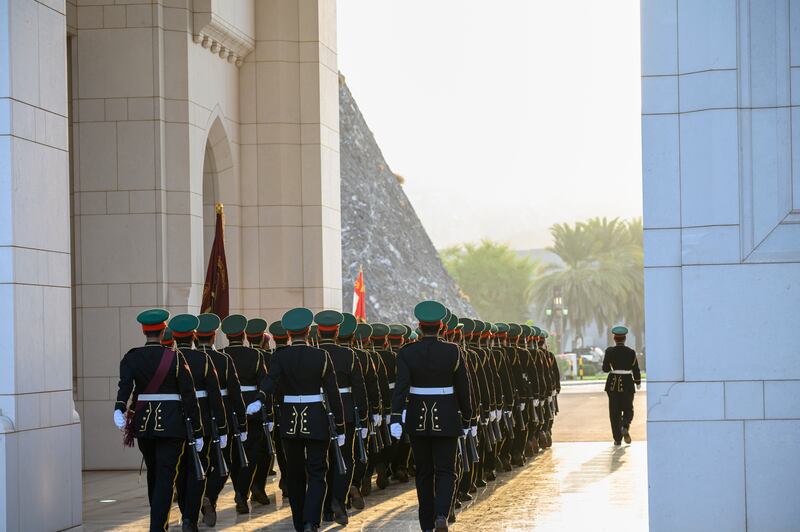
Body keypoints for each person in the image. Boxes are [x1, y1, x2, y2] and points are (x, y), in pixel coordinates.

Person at [113, 309, 203, 532]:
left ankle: (158, 521)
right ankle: (157, 526)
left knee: (154, 473)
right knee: (165, 476)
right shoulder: (175, 357)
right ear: (164, 331)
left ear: (144, 332)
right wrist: (198, 430)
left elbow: (125, 386)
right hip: (172, 425)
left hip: (144, 426)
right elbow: (189, 396)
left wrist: (119, 408)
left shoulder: (132, 357)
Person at [260, 307, 346, 532]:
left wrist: (259, 398)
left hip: (289, 421)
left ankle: (300, 522)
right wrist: (340, 425)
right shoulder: (320, 355)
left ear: (288, 333)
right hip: (317, 419)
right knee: (318, 472)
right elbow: (333, 393)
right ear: (309, 331)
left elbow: (271, 382)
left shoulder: (279, 355)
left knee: (295, 473)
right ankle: (311, 521)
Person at [390, 301, 473, 532]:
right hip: (447, 417)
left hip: (417, 417)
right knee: (446, 470)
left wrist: (395, 417)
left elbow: (401, 388)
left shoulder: (407, 352)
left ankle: (426, 523)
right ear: (441, 327)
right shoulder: (453, 351)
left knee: (424, 472)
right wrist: (468, 418)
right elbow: (464, 389)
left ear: (419, 326)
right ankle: (441, 516)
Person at [169, 314, 227, 532]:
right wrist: (221, 427)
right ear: (194, 336)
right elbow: (215, 397)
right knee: (198, 469)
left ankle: (186, 512)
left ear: (174, 337)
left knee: (180, 471)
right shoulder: (204, 359)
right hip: (201, 422)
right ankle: (189, 519)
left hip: (175, 423)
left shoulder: (169, 358)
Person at [315, 310, 369, 525]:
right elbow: (359, 388)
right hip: (345, 413)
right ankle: (339, 498)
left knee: (322, 461)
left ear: (319, 332)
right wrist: (363, 417)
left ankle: (327, 507)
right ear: (337, 332)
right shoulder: (350, 355)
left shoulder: (314, 353)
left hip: (319, 412)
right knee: (345, 459)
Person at [195, 313, 248, 527]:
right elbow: (235, 394)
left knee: (196, 463)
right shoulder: (223, 360)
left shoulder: (186, 357)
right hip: (221, 419)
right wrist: (242, 423)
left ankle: (196, 503)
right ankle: (210, 496)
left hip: (193, 419)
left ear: (196, 336)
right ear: (215, 335)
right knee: (222, 463)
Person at [219, 314, 271, 513]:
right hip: (251, 412)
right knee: (251, 454)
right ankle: (241, 492)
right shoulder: (255, 356)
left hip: (227, 410)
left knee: (231, 455)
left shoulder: (221, 355)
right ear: (243, 335)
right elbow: (264, 383)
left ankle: (240, 488)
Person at [602, 326, 641, 445]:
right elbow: (636, 369)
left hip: (613, 384)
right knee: (628, 408)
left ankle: (617, 439)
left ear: (614, 338)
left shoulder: (609, 351)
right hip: (628, 383)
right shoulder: (631, 352)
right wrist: (638, 381)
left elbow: (605, 369)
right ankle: (625, 425)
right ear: (625, 339)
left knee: (614, 412)